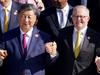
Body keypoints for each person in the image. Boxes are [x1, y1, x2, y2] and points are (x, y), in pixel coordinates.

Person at [0, 4, 58, 75]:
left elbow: (50, 62)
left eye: (29, 17)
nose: (26, 20)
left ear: (36, 19)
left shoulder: (44, 37)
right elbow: (1, 57)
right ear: (18, 17)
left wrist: (52, 54)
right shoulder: (7, 36)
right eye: (23, 16)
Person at [56, 5, 100, 75]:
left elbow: (98, 58)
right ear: (72, 18)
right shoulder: (63, 33)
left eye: (82, 16)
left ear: (88, 18)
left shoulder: (96, 37)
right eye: (75, 16)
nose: (78, 19)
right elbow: (57, 56)